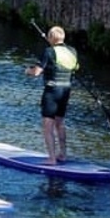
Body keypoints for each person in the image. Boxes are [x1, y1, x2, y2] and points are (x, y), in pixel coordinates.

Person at [25, 26, 78, 164]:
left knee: (48, 125)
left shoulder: (48, 51)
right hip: (66, 90)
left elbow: (37, 72)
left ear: (50, 38)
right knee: (60, 123)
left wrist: (28, 71)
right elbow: (75, 68)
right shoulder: (72, 51)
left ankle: (52, 158)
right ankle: (63, 155)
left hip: (52, 91)